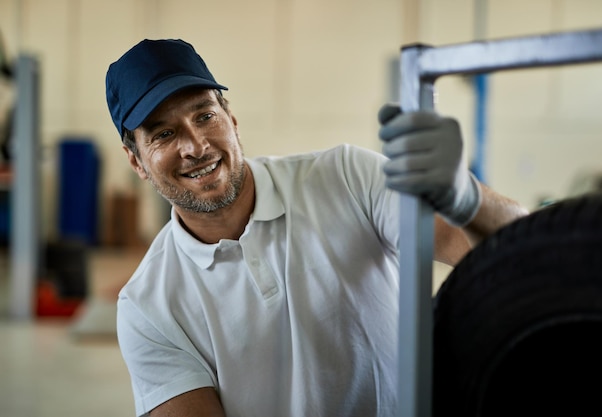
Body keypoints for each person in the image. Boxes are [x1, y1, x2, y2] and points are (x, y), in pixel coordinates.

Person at [105, 39, 528, 417]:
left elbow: (522, 251)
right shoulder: (148, 307)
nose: (196, 146)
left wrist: (468, 200)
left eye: (205, 116)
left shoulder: (346, 177)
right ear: (137, 161)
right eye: (164, 133)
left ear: (232, 120)